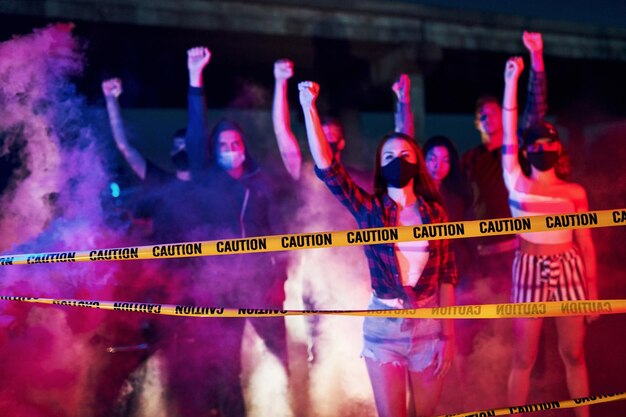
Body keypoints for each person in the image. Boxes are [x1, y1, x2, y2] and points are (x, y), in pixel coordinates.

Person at [298, 80, 457, 417]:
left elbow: (447, 275)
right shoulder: (371, 210)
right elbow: (329, 169)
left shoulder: (435, 213)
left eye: (404, 155)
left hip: (430, 325)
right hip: (383, 326)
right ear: (380, 165)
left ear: (416, 162)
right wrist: (308, 106)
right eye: (389, 156)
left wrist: (449, 334)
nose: (397, 160)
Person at [170, 46, 290, 417]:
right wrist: (195, 77)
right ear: (214, 151)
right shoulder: (207, 180)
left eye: (235, 144)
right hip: (220, 286)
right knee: (226, 367)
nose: (229, 149)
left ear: (243, 148)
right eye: (222, 145)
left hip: (260, 284)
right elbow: (193, 133)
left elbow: (279, 235)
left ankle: (295, 407)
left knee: (281, 354)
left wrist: (278, 278)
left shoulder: (261, 183)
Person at [502, 56, 598, 417]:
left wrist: (592, 292)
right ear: (527, 151)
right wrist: (511, 80)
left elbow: (585, 242)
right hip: (528, 265)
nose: (543, 149)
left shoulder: (575, 192)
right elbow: (509, 131)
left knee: (573, 353)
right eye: (536, 144)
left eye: (549, 143)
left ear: (558, 149)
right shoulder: (517, 181)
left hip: (569, 267)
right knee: (524, 355)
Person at [461, 31, 547, 298]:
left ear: (504, 114)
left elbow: (536, 108)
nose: (487, 118)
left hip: (517, 249)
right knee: (489, 327)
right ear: (477, 123)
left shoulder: (517, 150)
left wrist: (536, 56)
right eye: (481, 115)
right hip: (482, 255)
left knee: (525, 318)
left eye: (493, 112)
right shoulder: (469, 160)